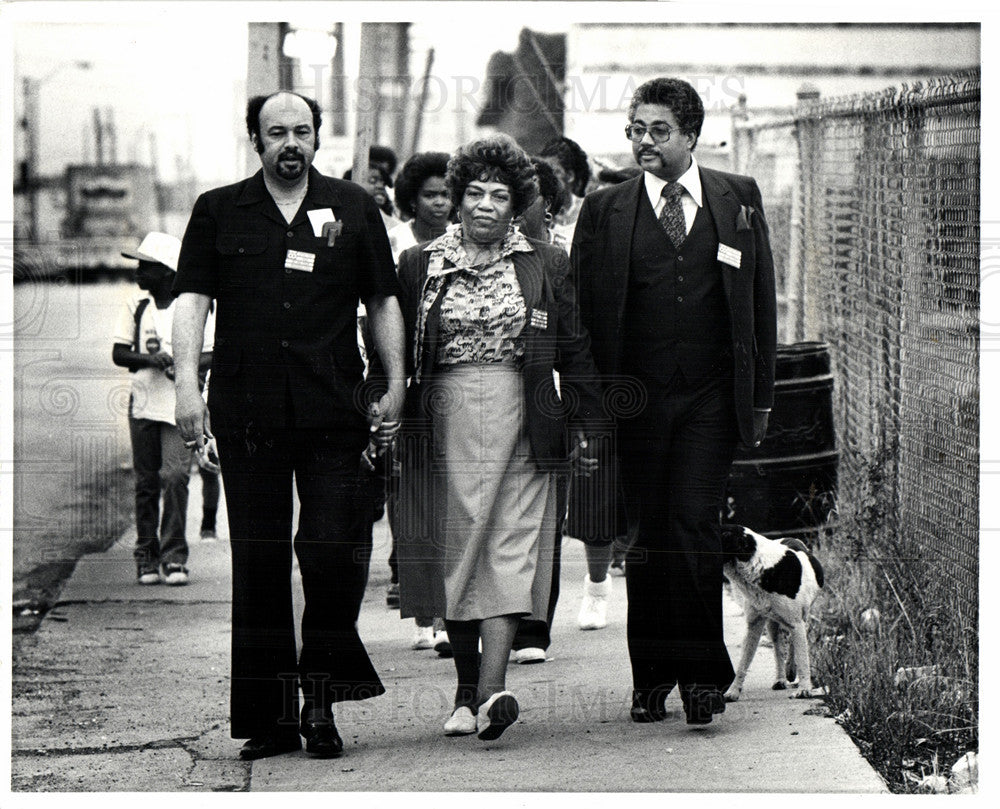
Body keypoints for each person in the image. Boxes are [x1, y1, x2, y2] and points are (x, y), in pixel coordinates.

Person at [170, 91, 406, 761]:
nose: (290, 142)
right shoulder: (218, 209)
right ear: (256, 139)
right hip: (247, 410)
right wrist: (188, 385)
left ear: (317, 136)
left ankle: (321, 697)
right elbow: (192, 301)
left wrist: (397, 382)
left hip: (335, 405)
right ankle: (271, 717)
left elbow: (382, 298)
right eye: (277, 132)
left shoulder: (354, 206)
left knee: (334, 551)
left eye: (301, 130)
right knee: (260, 560)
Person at [570, 77, 777, 726]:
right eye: (636, 130)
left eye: (659, 131)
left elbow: (760, 301)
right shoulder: (605, 213)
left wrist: (761, 397)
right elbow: (578, 316)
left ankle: (700, 675)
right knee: (649, 537)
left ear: (691, 135)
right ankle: (650, 675)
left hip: (711, 398)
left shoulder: (736, 197)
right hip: (634, 401)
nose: (644, 143)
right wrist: (588, 406)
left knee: (691, 523)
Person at [395, 133, 602, 741]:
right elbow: (392, 342)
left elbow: (574, 347)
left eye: (500, 195)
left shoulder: (545, 261)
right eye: (476, 193)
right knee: (458, 548)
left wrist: (588, 425)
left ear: (518, 204)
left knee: (512, 548)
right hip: (444, 418)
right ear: (457, 199)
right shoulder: (419, 265)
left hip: (527, 416)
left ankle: (490, 693)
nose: (486, 204)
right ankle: (465, 691)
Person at [112, 231, 214, 586]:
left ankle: (174, 557)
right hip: (143, 405)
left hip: (177, 408)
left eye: (146, 267)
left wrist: (184, 364)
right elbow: (119, 353)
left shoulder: (195, 307)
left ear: (168, 272)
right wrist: (151, 359)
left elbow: (213, 351)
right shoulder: (136, 308)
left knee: (174, 477)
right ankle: (146, 558)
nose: (139, 272)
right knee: (145, 483)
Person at [384, 150, 455, 655]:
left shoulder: (469, 244)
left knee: (453, 510)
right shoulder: (396, 248)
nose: (441, 203)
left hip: (457, 394)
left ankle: (454, 612)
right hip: (408, 391)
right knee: (414, 511)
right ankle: (423, 611)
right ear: (412, 199)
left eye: (448, 193)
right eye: (431, 194)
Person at [539, 136, 591, 244]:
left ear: (570, 176)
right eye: (545, 172)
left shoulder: (589, 209)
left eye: (554, 172)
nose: (548, 178)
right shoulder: (538, 210)